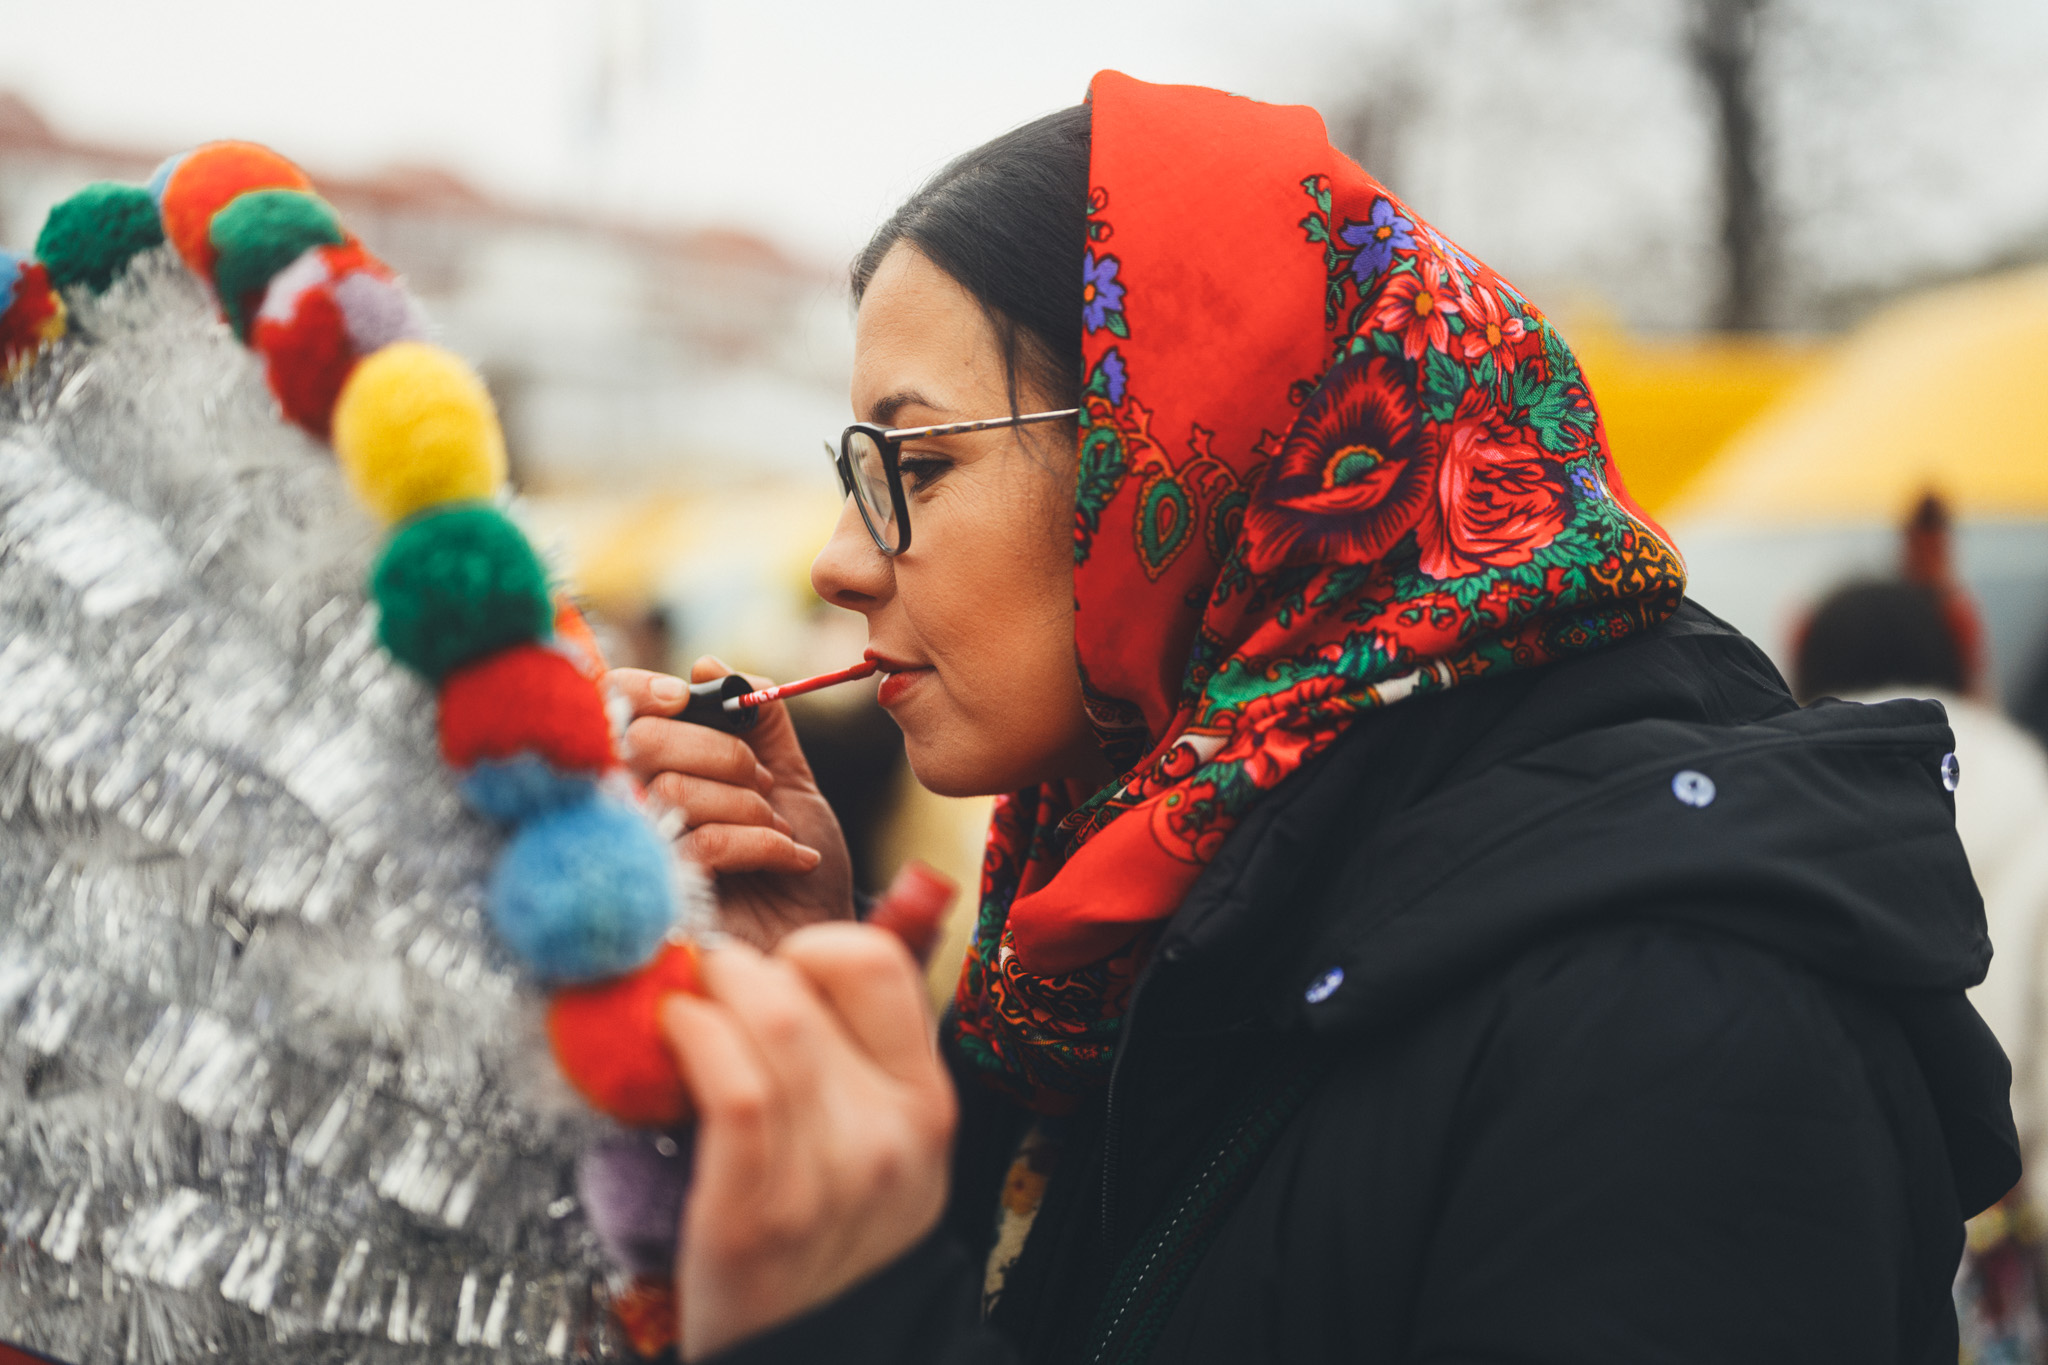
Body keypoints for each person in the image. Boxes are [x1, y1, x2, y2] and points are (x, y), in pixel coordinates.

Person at [610, 73, 2017, 1363]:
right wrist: (808, 1020)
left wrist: (851, 1325)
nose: (839, 562)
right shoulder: (1133, 922)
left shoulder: (1674, 1021)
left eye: (911, 464)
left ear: (1188, 453)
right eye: (855, 475)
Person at [1795, 522, 2048, 1365]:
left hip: (1840, 1261)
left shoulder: (1773, 814)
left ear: (1805, 664)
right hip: (2003, 1274)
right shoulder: (2035, 803)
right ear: (1962, 660)